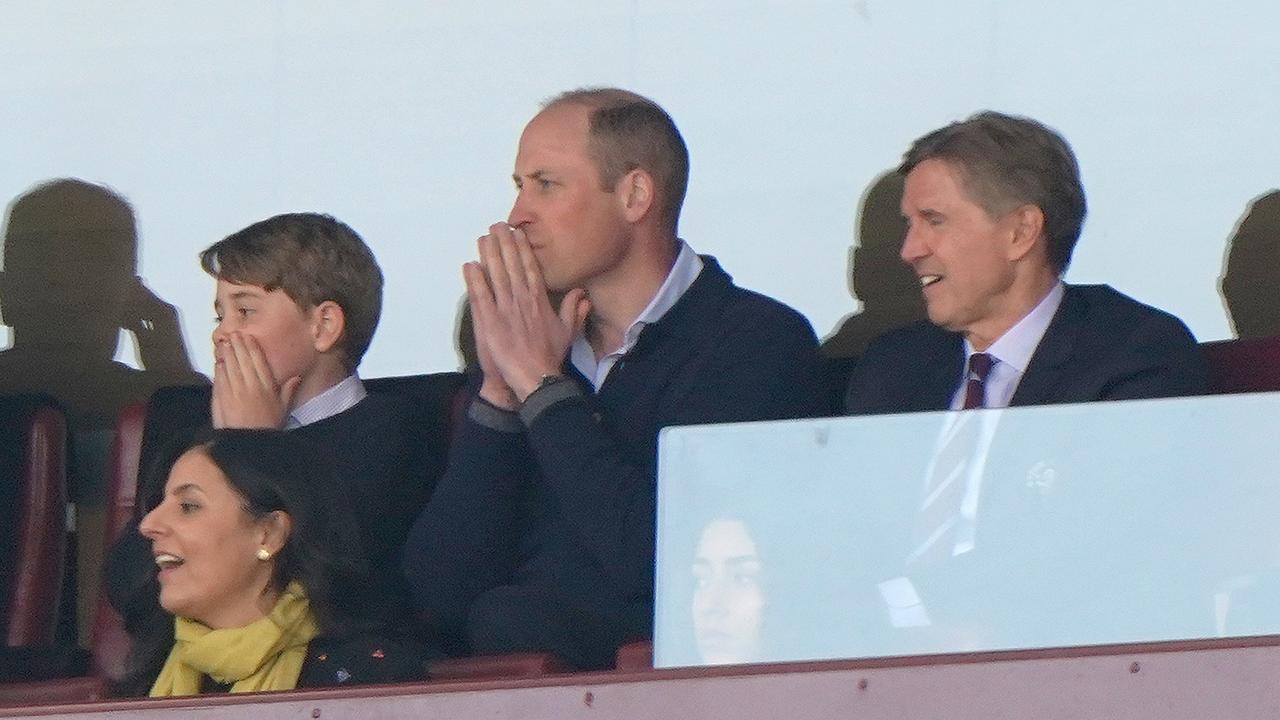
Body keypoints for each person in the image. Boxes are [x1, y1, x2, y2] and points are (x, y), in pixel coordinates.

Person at [402, 88, 831, 669]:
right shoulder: (525, 346)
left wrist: (542, 389)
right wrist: (502, 392)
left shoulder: (755, 342)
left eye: (545, 185)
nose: (517, 216)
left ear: (634, 195)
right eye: (518, 187)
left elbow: (659, 563)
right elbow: (442, 592)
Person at [107, 213, 444, 643]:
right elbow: (130, 588)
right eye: (219, 317)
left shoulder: (395, 436)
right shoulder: (190, 436)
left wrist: (251, 451)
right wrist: (227, 445)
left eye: (245, 311)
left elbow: (335, 586)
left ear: (323, 326)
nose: (223, 335)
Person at [845, 111, 1206, 415]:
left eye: (935, 221)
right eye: (910, 224)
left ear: (1021, 232)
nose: (909, 250)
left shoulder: (1132, 354)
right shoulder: (892, 368)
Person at [120, 429, 427, 696]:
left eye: (188, 506)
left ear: (268, 534)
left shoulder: (367, 681)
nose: (148, 524)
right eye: (160, 504)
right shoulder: (146, 678)